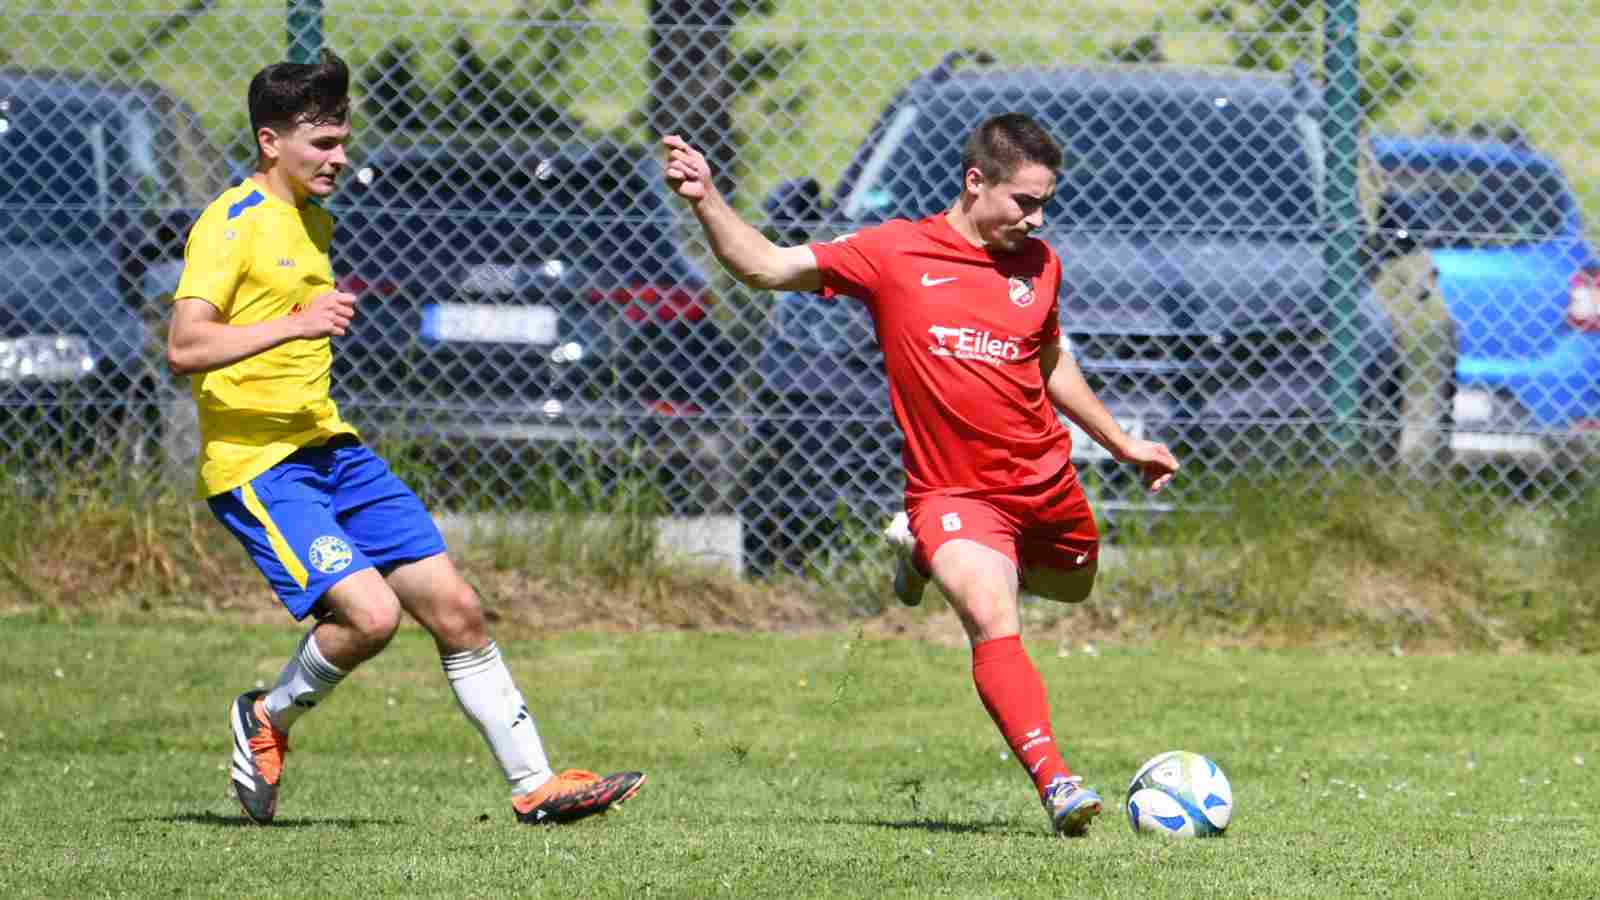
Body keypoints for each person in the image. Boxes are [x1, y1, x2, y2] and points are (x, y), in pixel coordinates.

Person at [663, 114, 1179, 837]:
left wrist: (1121, 442)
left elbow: (1048, 361)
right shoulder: (894, 252)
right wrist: (707, 199)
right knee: (993, 617)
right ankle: (1057, 783)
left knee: (1071, 586)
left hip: (1044, 482)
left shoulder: (1040, 265)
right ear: (975, 182)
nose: (1037, 219)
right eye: (1024, 202)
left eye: (1044, 204)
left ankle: (922, 552)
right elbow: (765, 267)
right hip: (954, 492)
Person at [166, 48, 644, 827]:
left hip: (332, 449)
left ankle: (536, 786)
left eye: (342, 139)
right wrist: (298, 323)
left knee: (457, 608)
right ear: (269, 141)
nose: (339, 157)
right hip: (260, 466)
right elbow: (185, 345)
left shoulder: (311, 218)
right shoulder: (231, 223)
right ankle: (267, 717)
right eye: (322, 142)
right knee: (372, 618)